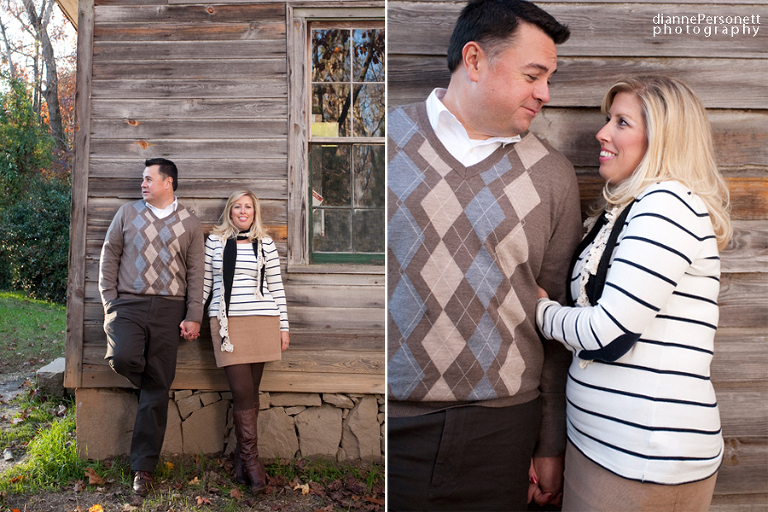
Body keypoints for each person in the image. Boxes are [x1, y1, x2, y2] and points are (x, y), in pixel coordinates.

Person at [386, 0, 582, 509]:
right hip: (391, 424)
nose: (544, 93)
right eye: (533, 75)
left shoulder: (553, 176)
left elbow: (556, 319)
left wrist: (549, 442)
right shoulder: (381, 146)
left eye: (549, 78)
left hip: (504, 431)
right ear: (473, 60)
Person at [535, 75, 731, 512]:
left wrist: (538, 309)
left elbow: (609, 331)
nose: (602, 132)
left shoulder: (667, 206)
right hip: (607, 447)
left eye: (622, 122)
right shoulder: (631, 208)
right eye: (609, 119)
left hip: (641, 456)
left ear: (663, 139)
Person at [99, 158, 204, 496]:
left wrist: (194, 315)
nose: (142, 184)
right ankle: (155, 385)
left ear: (168, 182)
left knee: (157, 389)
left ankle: (143, 469)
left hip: (169, 310)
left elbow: (197, 274)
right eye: (142, 180)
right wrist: (109, 300)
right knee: (124, 358)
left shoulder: (190, 222)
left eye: (148, 179)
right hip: (127, 305)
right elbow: (109, 256)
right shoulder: (127, 214)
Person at [203, 190, 289, 494]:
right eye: (237, 206)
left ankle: (242, 463)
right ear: (230, 211)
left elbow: (276, 288)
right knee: (241, 391)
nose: (243, 211)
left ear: (255, 212)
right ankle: (252, 462)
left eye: (248, 207)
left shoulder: (265, 243)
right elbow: (205, 285)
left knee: (251, 392)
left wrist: (284, 327)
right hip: (228, 324)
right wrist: (190, 317)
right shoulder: (215, 241)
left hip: (263, 320)